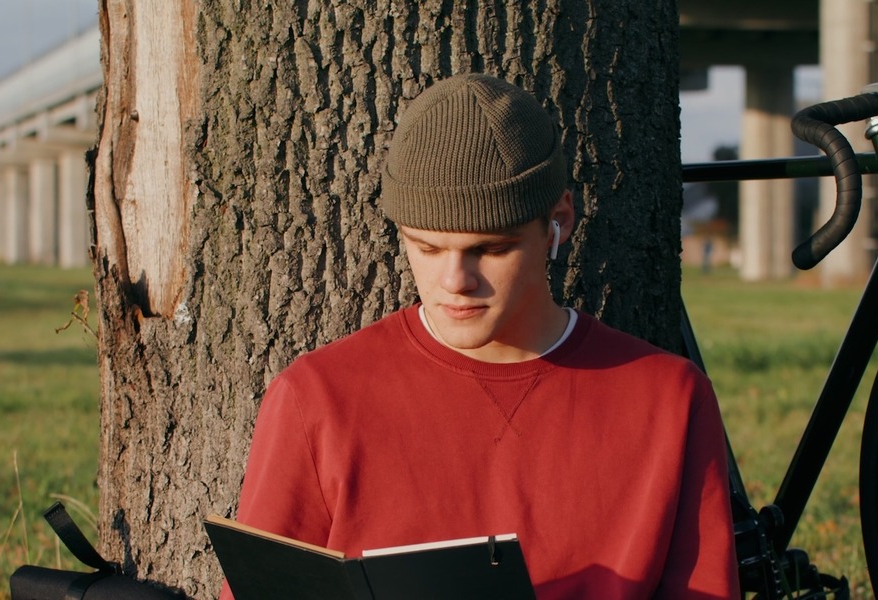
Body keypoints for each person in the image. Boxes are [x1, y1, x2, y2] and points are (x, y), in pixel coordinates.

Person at [220, 73, 739, 599]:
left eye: (491, 250)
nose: (455, 283)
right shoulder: (316, 398)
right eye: (426, 248)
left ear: (558, 221)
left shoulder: (667, 399)